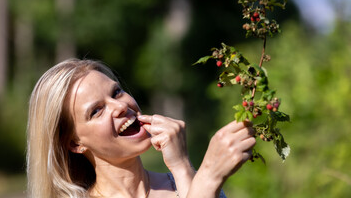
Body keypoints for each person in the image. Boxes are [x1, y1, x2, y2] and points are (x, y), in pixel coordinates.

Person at [27, 58, 256, 198]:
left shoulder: (181, 180)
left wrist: (182, 167)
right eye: (97, 110)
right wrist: (208, 177)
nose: (120, 106)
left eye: (116, 92)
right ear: (75, 143)